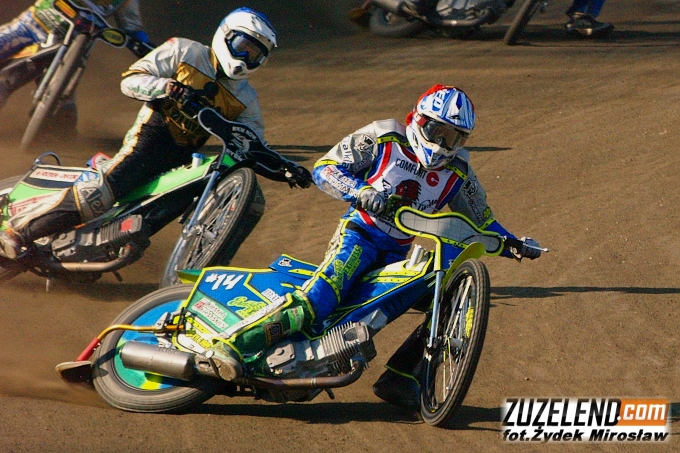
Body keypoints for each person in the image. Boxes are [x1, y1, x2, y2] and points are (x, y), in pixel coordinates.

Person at [205, 85, 543, 411]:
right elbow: (326, 168)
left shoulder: (460, 172)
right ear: (419, 120)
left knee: (436, 302)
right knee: (321, 298)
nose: (442, 144)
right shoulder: (383, 137)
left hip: (397, 254)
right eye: (437, 131)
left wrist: (514, 243)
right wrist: (359, 190)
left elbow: (483, 221)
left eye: (454, 137)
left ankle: (401, 378)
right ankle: (234, 345)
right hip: (359, 236)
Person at [0, 7, 291, 259]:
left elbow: (253, 141)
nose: (245, 57)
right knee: (98, 195)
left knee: (161, 212)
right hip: (147, 142)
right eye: (243, 46)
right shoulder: (184, 50)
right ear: (225, 36)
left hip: (181, 163)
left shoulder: (246, 98)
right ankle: (18, 232)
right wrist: (165, 87)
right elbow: (130, 80)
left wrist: (287, 168)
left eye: (255, 54)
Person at [0, 0, 150, 120]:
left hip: (69, 46)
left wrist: (149, 50)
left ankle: (58, 131)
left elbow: (133, 29)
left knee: (63, 113)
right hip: (33, 24)